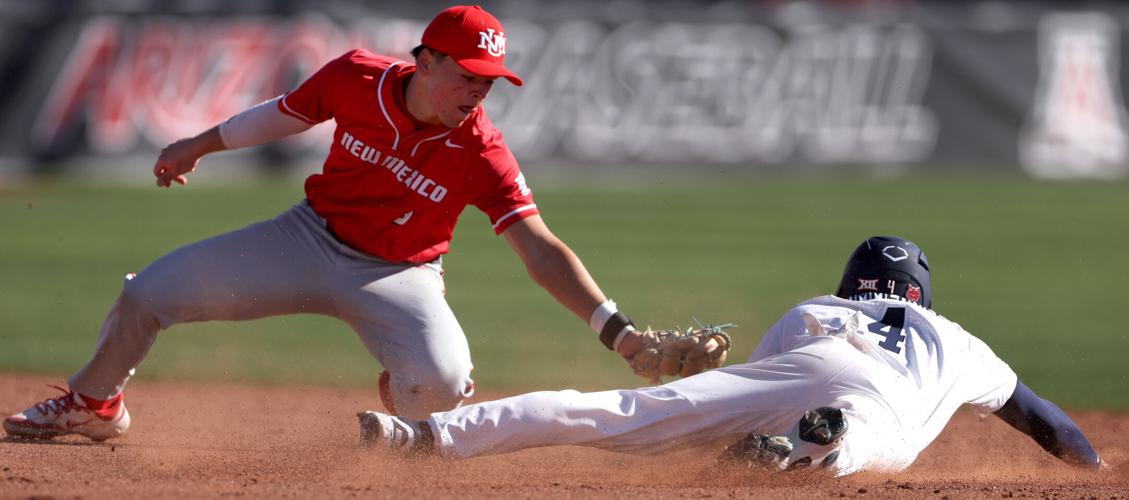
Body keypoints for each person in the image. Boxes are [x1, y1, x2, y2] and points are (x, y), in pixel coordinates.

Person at [4, 5, 656, 441]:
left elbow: (538, 249)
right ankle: (94, 404)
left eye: (488, 82)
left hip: (400, 277)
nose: (477, 92)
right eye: (466, 75)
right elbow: (281, 114)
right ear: (424, 61)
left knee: (442, 385)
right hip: (304, 239)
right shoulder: (355, 79)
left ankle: (401, 386)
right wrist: (196, 145)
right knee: (147, 293)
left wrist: (618, 332)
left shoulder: (480, 151)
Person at [357, 236, 1103, 476]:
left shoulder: (818, 307)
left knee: (614, 413)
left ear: (856, 284)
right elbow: (1048, 425)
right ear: (921, 297)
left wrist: (698, 414)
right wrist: (1091, 470)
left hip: (810, 365)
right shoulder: (961, 341)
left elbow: (740, 392)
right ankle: (812, 449)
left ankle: (421, 437)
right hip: (884, 399)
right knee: (872, 438)